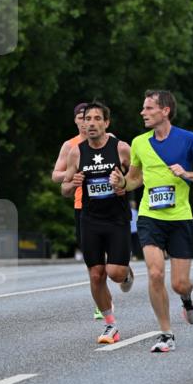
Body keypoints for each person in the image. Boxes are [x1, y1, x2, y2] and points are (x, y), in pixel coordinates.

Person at [110, 90, 193, 352]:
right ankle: (166, 333)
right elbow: (136, 179)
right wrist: (123, 183)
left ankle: (187, 297)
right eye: (143, 107)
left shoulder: (189, 139)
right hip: (150, 217)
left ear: (165, 111)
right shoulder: (139, 143)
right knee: (155, 272)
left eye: (148, 108)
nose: (142, 112)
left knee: (179, 282)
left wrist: (187, 173)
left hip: (180, 218)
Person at [62, 101, 133, 345]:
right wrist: (72, 184)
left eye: (96, 119)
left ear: (106, 123)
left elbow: (138, 178)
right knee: (95, 274)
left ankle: (125, 273)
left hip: (117, 219)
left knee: (115, 272)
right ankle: (110, 324)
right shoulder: (77, 151)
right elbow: (64, 188)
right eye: (87, 119)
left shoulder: (121, 148)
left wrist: (123, 183)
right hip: (90, 219)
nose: (90, 123)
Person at [52, 102, 102, 319]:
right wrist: (73, 175)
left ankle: (121, 269)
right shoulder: (70, 146)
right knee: (93, 261)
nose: (86, 122)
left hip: (108, 205)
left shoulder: (108, 142)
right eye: (82, 118)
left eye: (90, 117)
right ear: (76, 121)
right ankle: (101, 302)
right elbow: (56, 175)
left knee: (111, 263)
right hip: (82, 207)